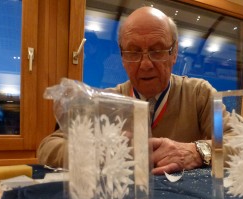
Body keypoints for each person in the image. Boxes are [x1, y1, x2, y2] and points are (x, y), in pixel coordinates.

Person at [37, 6, 232, 175]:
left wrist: (197, 152)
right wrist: (96, 152)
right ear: (122, 57)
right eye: (133, 52)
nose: (145, 64)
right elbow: (49, 147)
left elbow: (241, 144)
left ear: (174, 53)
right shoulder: (106, 102)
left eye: (157, 51)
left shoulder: (199, 94)